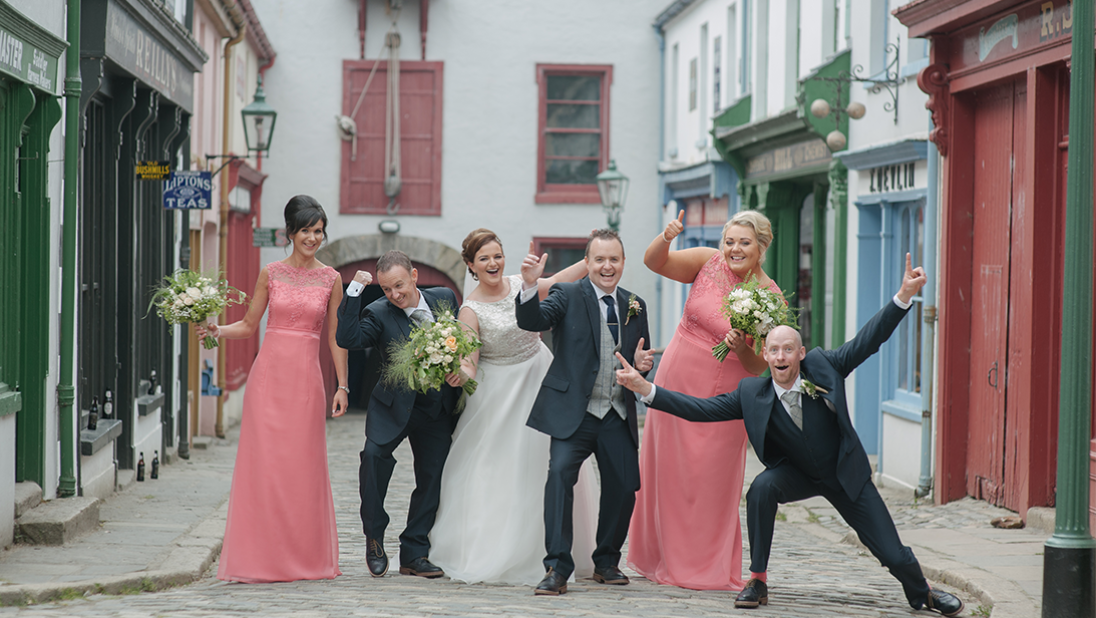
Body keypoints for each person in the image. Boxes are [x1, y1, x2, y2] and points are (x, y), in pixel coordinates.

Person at [613, 254, 965, 617]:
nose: (781, 357)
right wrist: (646, 388)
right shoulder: (752, 395)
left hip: (844, 474)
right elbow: (701, 410)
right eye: (774, 350)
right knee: (762, 488)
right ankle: (758, 579)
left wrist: (903, 297)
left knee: (890, 551)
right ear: (764, 354)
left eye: (788, 350)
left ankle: (922, 592)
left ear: (799, 353)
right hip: (795, 475)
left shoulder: (825, 367)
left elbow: (868, 340)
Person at [429, 230, 599, 585]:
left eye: (497, 255)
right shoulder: (470, 310)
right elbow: (470, 363)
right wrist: (457, 373)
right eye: (484, 259)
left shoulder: (520, 283)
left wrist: (592, 257)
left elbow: (558, 281)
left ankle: (559, 549)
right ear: (471, 266)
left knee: (551, 463)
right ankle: (502, 549)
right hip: (499, 394)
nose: (493, 263)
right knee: (502, 468)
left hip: (540, 376)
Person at [629, 209, 782, 591]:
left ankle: (701, 563)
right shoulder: (706, 262)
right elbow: (654, 262)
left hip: (728, 394)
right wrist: (666, 236)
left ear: (761, 247)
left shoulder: (770, 295)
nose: (734, 249)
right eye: (729, 240)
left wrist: (739, 347)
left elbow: (759, 365)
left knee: (710, 475)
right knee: (668, 469)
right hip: (677, 377)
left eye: (744, 242)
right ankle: (658, 555)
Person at [198, 195, 347, 583]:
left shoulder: (332, 279)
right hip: (267, 382)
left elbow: (335, 338)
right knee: (264, 468)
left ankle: (304, 557)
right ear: (290, 233)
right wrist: (217, 330)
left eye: (318, 230)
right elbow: (248, 325)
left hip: (305, 384)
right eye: (306, 231)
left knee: (303, 468)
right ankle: (259, 557)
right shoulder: (271, 273)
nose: (313, 238)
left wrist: (342, 385)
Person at [515, 229, 654, 596]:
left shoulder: (635, 304)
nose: (607, 266)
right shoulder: (567, 294)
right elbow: (534, 322)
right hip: (574, 411)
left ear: (623, 263)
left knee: (625, 487)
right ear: (588, 262)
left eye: (614, 260)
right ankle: (557, 568)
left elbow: (640, 362)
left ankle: (606, 561)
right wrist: (530, 287)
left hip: (615, 412)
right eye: (599, 259)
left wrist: (641, 368)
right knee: (559, 476)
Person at [335, 250, 462, 580]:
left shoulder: (445, 297)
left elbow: (462, 342)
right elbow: (348, 338)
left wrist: (459, 371)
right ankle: (374, 538)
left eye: (399, 286)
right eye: (387, 289)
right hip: (394, 405)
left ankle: (414, 553)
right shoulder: (378, 312)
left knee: (432, 479)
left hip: (436, 407)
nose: (394, 295)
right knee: (374, 460)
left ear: (415, 275)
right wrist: (353, 294)